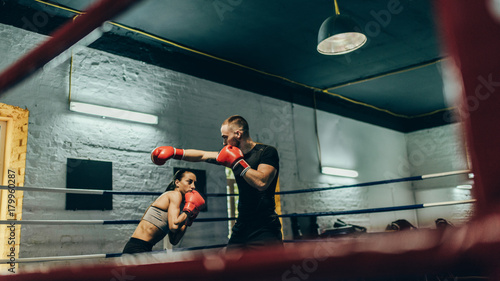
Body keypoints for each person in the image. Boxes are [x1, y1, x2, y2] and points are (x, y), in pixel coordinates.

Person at [151, 115, 282, 250]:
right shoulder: (232, 154)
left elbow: (262, 182)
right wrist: (174, 152)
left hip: (265, 226)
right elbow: (203, 155)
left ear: (238, 134)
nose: (224, 143)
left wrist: (237, 163)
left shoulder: (266, 152)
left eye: (225, 137)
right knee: (230, 267)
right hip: (242, 225)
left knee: (269, 269)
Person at [122, 169, 205, 254]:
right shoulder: (174, 195)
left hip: (143, 248)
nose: (193, 186)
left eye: (194, 183)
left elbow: (174, 240)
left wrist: (189, 219)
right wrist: (188, 211)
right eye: (189, 182)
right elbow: (174, 226)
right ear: (177, 183)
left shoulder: (176, 208)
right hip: (136, 248)